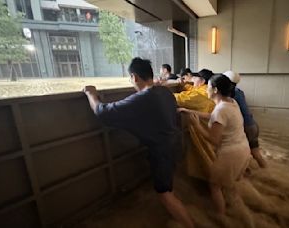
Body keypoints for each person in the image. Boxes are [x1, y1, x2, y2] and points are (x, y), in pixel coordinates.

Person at [83, 57, 194, 228]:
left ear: (134, 77)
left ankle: (189, 224)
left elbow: (102, 112)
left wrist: (91, 94)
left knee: (164, 194)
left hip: (162, 152)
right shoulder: (164, 92)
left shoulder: (143, 98)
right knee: (169, 186)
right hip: (175, 144)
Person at [188, 74, 252, 215]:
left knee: (214, 186)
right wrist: (190, 111)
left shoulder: (220, 109)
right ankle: (239, 210)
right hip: (244, 150)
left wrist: (196, 125)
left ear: (215, 90)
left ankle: (221, 217)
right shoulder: (231, 102)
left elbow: (214, 140)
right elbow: (215, 117)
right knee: (231, 185)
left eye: (208, 87)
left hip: (231, 154)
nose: (206, 90)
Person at [223, 70, 267, 168]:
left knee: (242, 153)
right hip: (253, 125)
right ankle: (265, 170)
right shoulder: (239, 92)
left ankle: (246, 173)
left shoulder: (230, 95)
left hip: (245, 127)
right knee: (255, 153)